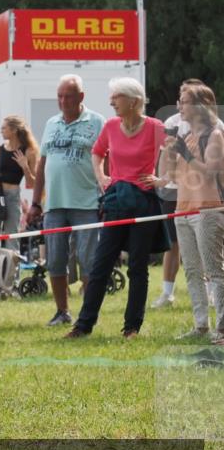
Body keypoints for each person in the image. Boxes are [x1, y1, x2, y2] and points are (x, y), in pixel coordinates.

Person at [66, 78, 167, 340]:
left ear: (134, 101)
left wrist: (162, 179)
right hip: (116, 203)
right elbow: (97, 152)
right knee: (101, 265)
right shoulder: (111, 126)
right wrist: (101, 177)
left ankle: (131, 328)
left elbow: (178, 154)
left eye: (116, 97)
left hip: (144, 203)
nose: (111, 102)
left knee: (137, 268)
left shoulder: (155, 127)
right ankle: (83, 326)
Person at [28, 75, 107, 326]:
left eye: (68, 96)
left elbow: (107, 160)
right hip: (54, 205)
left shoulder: (97, 121)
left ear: (81, 97)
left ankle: (87, 314)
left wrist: (106, 194)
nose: (63, 101)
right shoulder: (51, 123)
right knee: (55, 260)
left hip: (87, 202)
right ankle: (62, 312)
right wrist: (35, 202)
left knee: (88, 259)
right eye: (59, 96)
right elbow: (42, 164)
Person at [152, 81, 224, 342]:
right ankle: (201, 324)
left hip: (208, 209)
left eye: (184, 102)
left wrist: (187, 153)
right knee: (192, 271)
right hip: (183, 210)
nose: (179, 106)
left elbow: (212, 172)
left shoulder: (214, 135)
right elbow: (172, 176)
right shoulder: (187, 137)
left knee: (214, 271)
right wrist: (169, 153)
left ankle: (222, 328)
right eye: (179, 101)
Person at [0, 115, 40, 249]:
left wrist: (25, 167)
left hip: (13, 196)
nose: (1, 131)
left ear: (14, 130)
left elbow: (32, 184)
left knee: (12, 240)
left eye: (4, 128)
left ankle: (11, 264)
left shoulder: (29, 151)